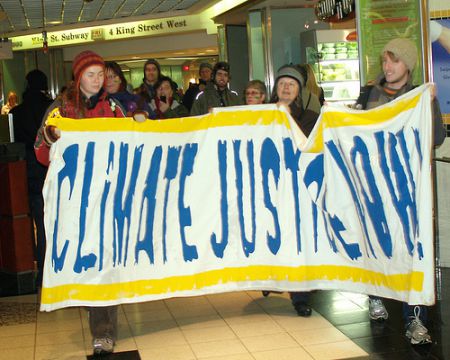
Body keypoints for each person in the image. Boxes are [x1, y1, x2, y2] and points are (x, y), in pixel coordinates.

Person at [355, 37, 446, 345]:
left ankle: (414, 318)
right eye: (385, 61)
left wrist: (429, 105)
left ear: (408, 64)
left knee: (412, 251)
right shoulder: (369, 94)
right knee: (376, 243)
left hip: (409, 189)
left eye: (393, 61)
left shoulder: (420, 96)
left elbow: (436, 139)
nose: (387, 66)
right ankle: (376, 295)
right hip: (375, 187)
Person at [34, 50, 126, 355]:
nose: (98, 80)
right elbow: (39, 151)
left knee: (104, 265)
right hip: (75, 201)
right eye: (91, 74)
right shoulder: (60, 109)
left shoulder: (113, 108)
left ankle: (104, 330)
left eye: (101, 75)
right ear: (78, 77)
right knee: (85, 263)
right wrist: (51, 137)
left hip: (108, 199)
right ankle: (97, 311)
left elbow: (130, 145)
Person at [269, 65, 322, 316]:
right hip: (269, 187)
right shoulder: (261, 114)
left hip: (297, 188)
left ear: (299, 90)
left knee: (297, 240)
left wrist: (287, 118)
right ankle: (268, 278)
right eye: (282, 84)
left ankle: (300, 296)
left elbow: (308, 146)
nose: (286, 87)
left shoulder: (310, 116)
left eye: (291, 84)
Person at [10, 70, 53, 287]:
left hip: (25, 175)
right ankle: (52, 270)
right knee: (51, 223)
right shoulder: (51, 109)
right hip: (50, 172)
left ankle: (37, 271)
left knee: (32, 223)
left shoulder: (16, 113)